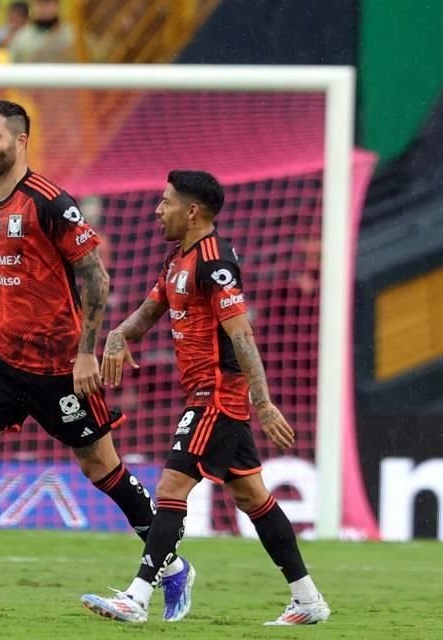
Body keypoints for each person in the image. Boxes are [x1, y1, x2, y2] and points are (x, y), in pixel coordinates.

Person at [0, 100, 192, 618]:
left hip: (60, 364)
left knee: (101, 466)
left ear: (20, 141)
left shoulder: (51, 203)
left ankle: (171, 565)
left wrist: (86, 355)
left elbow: (96, 278)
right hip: (0, 357)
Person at [81, 170, 330, 626]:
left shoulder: (215, 263)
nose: (157, 211)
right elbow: (151, 309)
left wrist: (264, 401)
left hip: (217, 394)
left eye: (165, 202)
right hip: (202, 393)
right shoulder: (180, 257)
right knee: (252, 497)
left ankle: (136, 597)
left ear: (192, 211)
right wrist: (117, 334)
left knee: (172, 488)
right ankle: (308, 599)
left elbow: (242, 335)